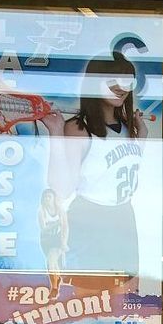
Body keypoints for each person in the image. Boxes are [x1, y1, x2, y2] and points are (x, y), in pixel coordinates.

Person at [42, 51, 148, 291]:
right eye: (113, 81)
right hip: (91, 218)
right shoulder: (79, 129)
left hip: (124, 216)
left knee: (127, 297)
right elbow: (62, 187)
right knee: (88, 301)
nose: (121, 88)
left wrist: (141, 134)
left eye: (127, 82)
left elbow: (131, 167)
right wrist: (56, 134)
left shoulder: (129, 128)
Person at [37, 188, 69, 298]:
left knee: (51, 262)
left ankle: (54, 288)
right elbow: (43, 229)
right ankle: (58, 278)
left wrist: (64, 242)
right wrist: (56, 224)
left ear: (54, 198)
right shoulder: (41, 211)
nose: (47, 199)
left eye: (49, 197)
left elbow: (65, 227)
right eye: (45, 197)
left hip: (57, 240)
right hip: (46, 241)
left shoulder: (60, 210)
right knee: (52, 264)